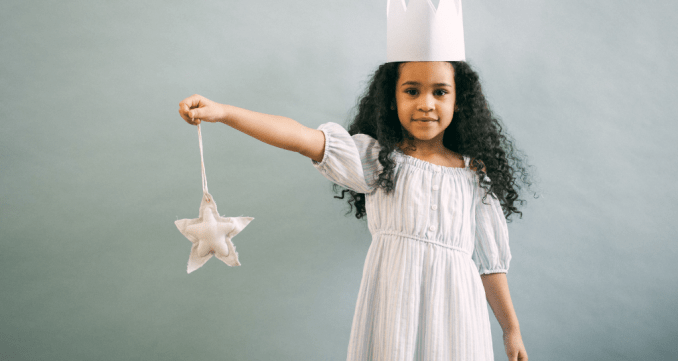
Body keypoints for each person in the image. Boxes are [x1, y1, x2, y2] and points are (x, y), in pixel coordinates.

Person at [178, 59, 533, 361]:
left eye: (440, 91)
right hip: (396, 303)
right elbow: (302, 138)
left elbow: (490, 264)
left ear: (459, 102)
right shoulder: (379, 160)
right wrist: (224, 113)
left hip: (457, 311)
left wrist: (511, 330)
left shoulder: (473, 175)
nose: (426, 103)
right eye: (412, 91)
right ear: (392, 100)